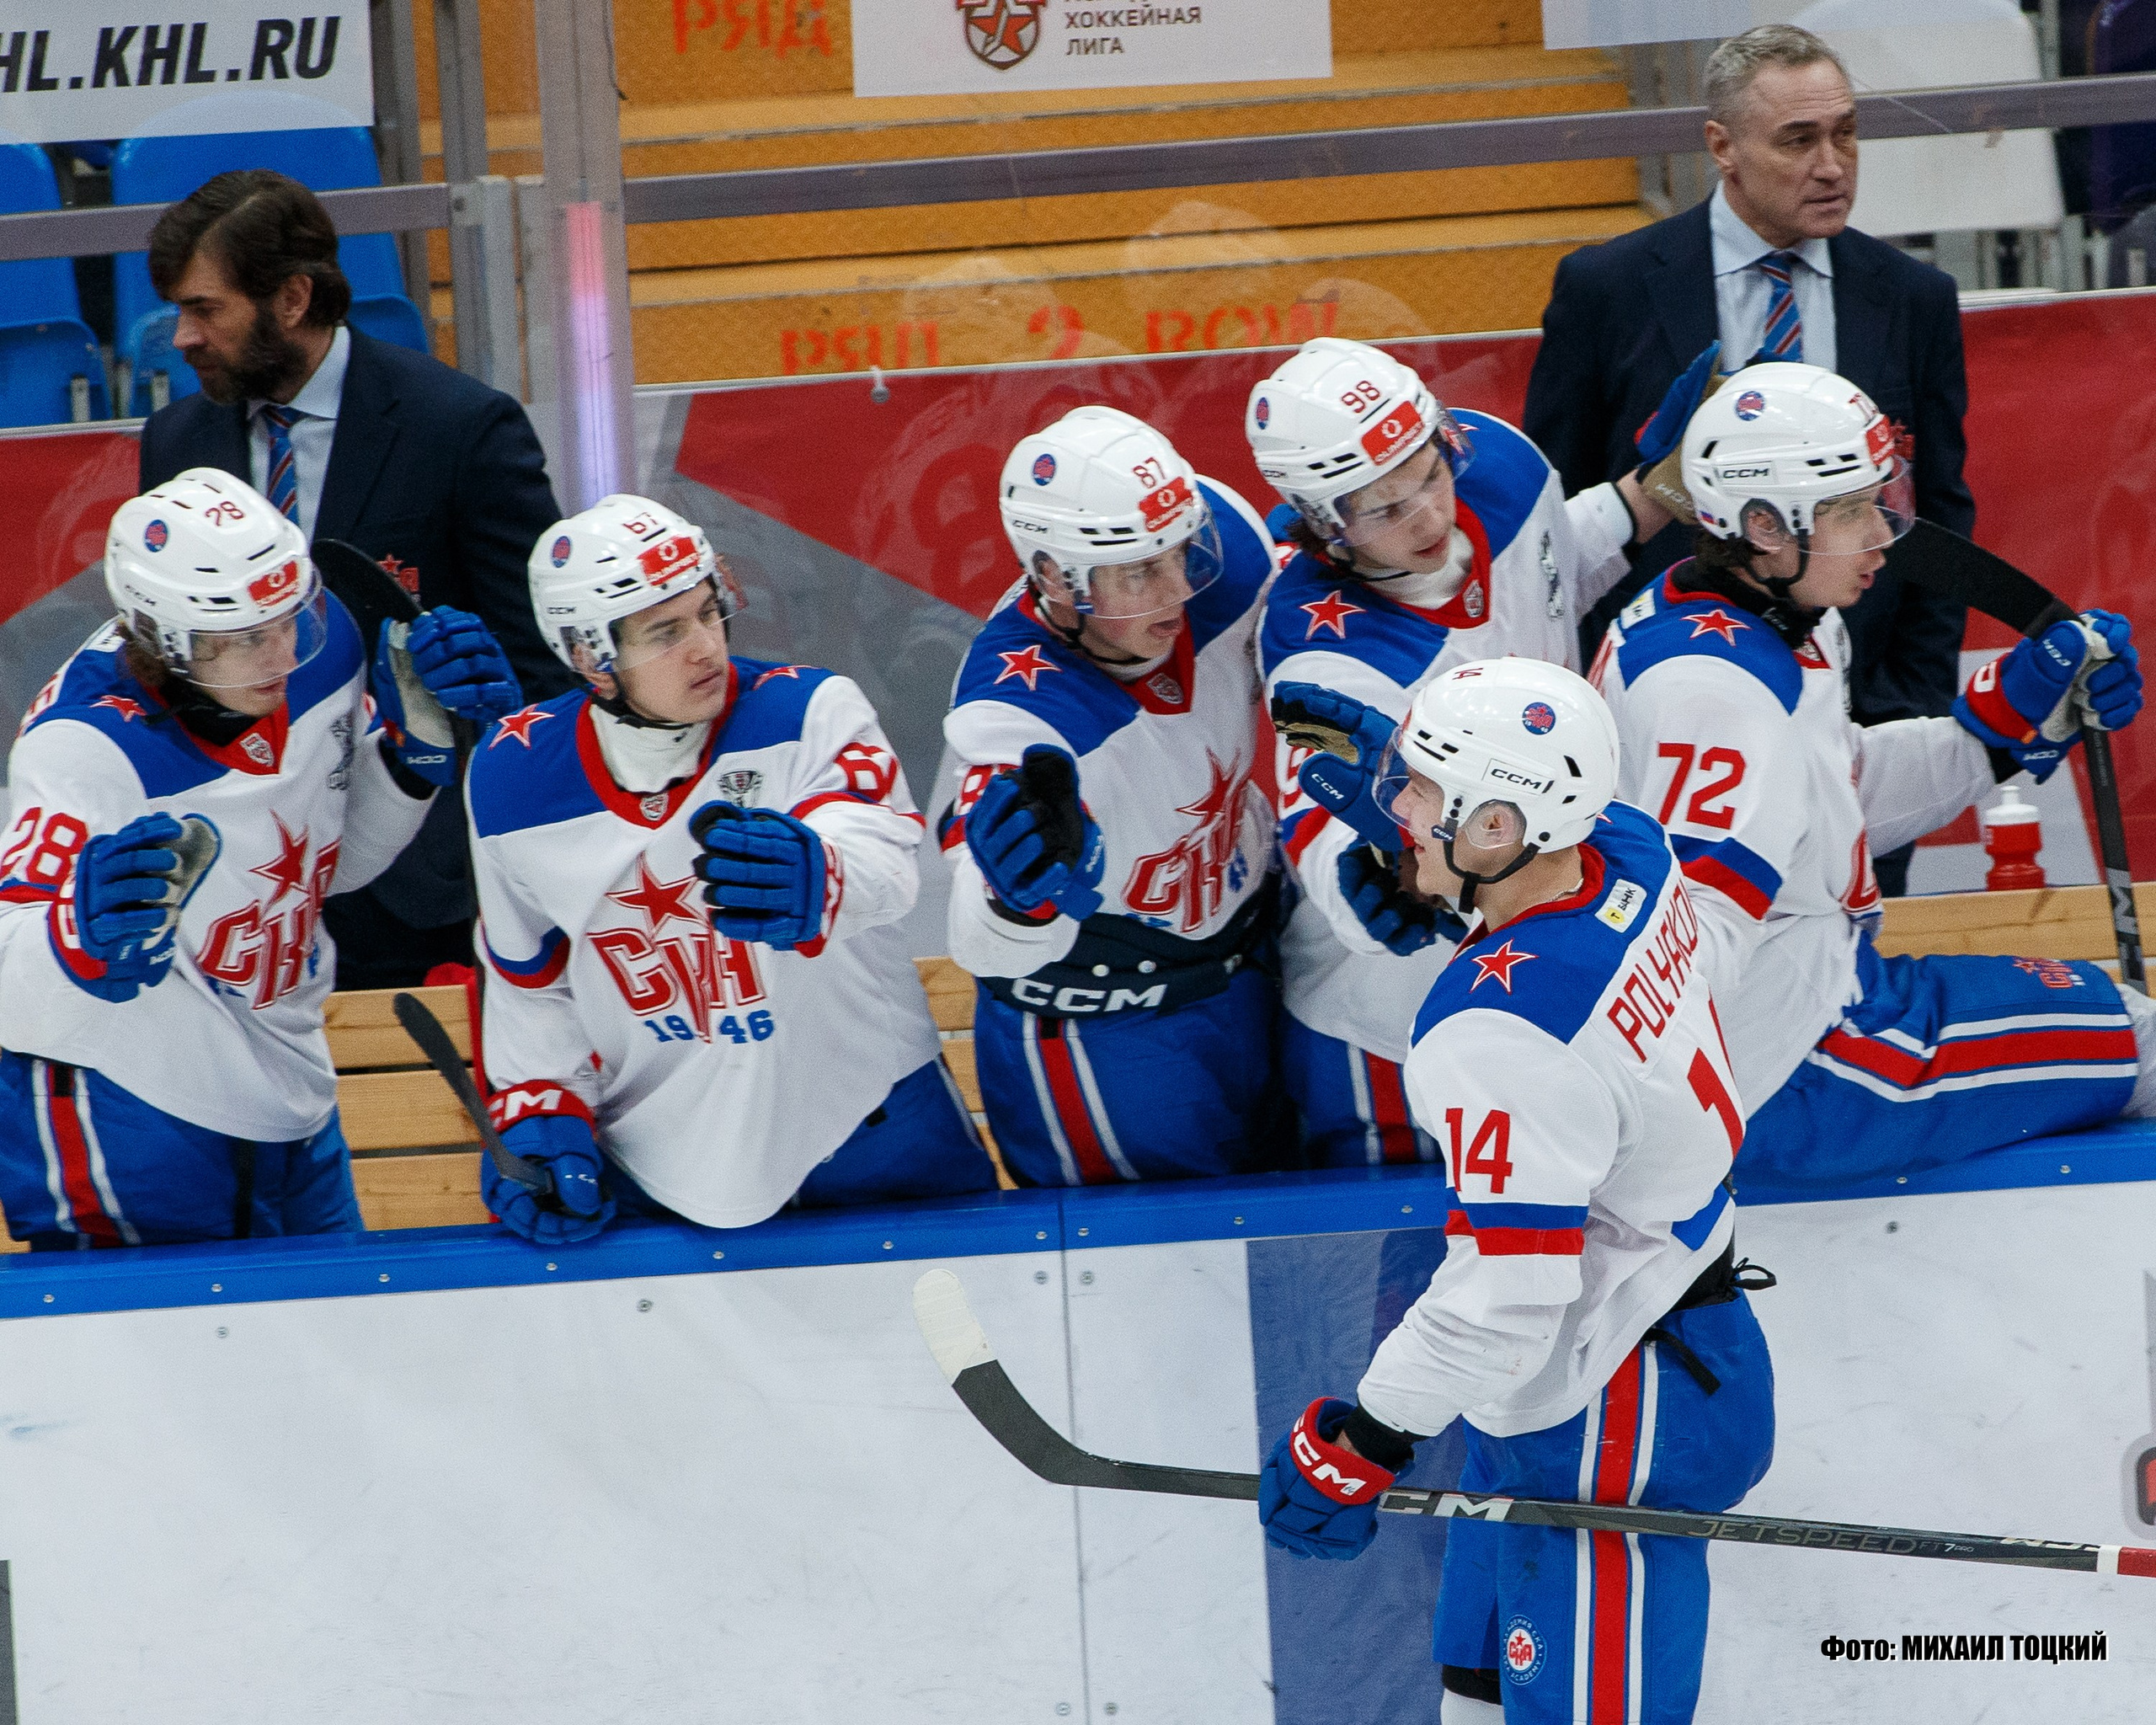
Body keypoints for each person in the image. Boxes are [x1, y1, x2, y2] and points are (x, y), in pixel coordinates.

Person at [1257, 658, 1775, 1724]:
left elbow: (1509, 1293)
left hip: (1615, 1407)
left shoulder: (1495, 1038)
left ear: (1499, 825)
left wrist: (1367, 1438)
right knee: (1478, 1701)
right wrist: (1419, 811)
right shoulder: (1626, 839)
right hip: (1642, 1350)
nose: (1395, 804)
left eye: (1421, 791)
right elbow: (1552, 946)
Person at [1594, 361, 2156, 1190]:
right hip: (1792, 1074)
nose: (1880, 536)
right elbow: (1685, 947)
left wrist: (2000, 722)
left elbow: (1825, 800)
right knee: (2142, 1042)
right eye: (1850, 511)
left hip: (1824, 1007)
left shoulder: (1759, 619)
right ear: (1761, 525)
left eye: (1876, 500)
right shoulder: (1714, 690)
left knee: (2102, 1004)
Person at [0, 470, 520, 1246]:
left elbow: (324, 874)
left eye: (288, 617)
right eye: (245, 638)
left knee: (339, 1343)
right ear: (162, 640)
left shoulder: (325, 643)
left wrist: (415, 756)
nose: (281, 654)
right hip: (129, 1106)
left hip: (292, 1091)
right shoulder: (85, 750)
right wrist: (75, 935)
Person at [466, 494, 995, 1242]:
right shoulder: (511, 779)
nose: (706, 647)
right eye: (665, 631)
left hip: (871, 1128)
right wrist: (543, 1107)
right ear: (590, 657)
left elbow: (883, 858)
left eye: (709, 612)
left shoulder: (806, 710)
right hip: (661, 1159)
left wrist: (822, 872)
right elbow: (531, 978)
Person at [1524, 23, 1973, 897]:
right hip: (1655, 731)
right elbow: (1553, 524)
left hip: (1853, 721)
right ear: (1721, 148)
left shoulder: (1913, 297)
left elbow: (1937, 513)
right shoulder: (1605, 289)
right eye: (1798, 140)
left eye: (1844, 132)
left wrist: (1899, 705)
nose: (1832, 163)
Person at [136, 168, 574, 987]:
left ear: (292, 299)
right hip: (237, 883)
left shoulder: (460, 427)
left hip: (423, 894)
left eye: (205, 308)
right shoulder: (174, 442)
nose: (183, 336)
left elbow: (542, 669)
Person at [1249, 335, 1678, 1167]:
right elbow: (1318, 814)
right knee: (1407, 1286)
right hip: (1386, 1023)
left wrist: (1660, 488)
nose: (1428, 515)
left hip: (1549, 970)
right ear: (1319, 524)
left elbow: (1555, 570)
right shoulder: (1318, 648)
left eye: (1429, 472)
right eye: (1382, 506)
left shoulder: (1505, 467)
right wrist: (1365, 874)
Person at [942, 406, 1282, 1185]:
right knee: (1156, 1291)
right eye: (1138, 572)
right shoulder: (1016, 714)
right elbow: (980, 945)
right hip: (1111, 1042)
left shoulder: (1225, 557)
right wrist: (1015, 900)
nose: (1176, 593)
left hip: (1253, 973)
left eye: (1180, 554)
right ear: (1055, 578)